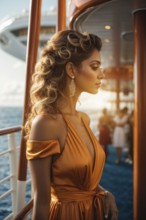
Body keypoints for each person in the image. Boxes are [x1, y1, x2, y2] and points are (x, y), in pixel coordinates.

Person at [25, 30, 118, 220]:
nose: (102, 74)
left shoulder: (84, 119)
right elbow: (41, 202)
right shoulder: (46, 124)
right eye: (94, 66)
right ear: (71, 70)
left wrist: (105, 193)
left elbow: (79, 180)